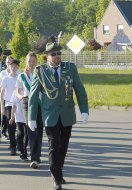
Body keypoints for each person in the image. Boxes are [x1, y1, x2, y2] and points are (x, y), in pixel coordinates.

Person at [28, 42, 89, 190]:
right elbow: (34, 95)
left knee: (64, 145)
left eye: (59, 53)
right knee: (54, 145)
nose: (57, 56)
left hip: (67, 113)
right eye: (53, 54)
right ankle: (56, 177)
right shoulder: (40, 71)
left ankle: (58, 171)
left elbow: (79, 89)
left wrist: (84, 110)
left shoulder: (70, 68)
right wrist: (31, 117)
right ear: (47, 56)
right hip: (50, 114)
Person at [16, 52, 43, 168]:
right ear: (26, 62)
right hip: (27, 104)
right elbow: (18, 92)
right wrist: (22, 97)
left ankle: (37, 155)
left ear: (36, 62)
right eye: (29, 61)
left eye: (33, 61)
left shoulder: (41, 74)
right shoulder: (21, 76)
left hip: (40, 105)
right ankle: (34, 158)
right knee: (31, 130)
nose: (31, 63)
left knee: (39, 132)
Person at [0, 59, 20, 156]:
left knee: (20, 126)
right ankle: (13, 146)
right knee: (11, 126)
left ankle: (19, 144)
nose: (13, 68)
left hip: (19, 104)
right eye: (12, 66)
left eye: (15, 66)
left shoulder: (20, 77)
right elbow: (1, 93)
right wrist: (2, 106)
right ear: (9, 67)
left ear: (17, 67)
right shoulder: (5, 78)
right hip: (9, 104)